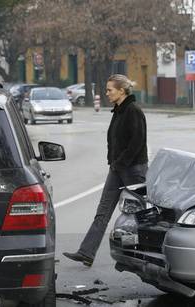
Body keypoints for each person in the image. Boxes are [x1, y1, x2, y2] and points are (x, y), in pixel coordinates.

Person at [63, 74, 148, 267]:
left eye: (110, 89)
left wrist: (120, 163)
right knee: (103, 211)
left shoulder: (133, 111)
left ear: (121, 90)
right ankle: (86, 252)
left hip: (133, 169)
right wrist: (114, 163)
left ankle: (146, 256)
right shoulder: (118, 110)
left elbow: (137, 143)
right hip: (117, 168)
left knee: (140, 215)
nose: (107, 93)